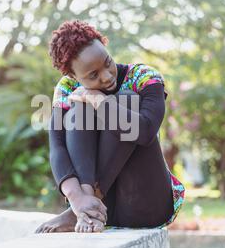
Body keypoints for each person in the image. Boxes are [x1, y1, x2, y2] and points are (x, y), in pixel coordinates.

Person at [35, 20, 185, 234]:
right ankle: (85, 204)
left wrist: (97, 99)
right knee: (79, 109)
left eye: (107, 62)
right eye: (93, 75)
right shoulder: (68, 88)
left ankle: (91, 200)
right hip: (106, 210)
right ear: (73, 76)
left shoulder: (144, 77)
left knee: (125, 100)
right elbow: (57, 145)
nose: (106, 76)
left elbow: (144, 132)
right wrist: (77, 198)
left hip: (145, 202)